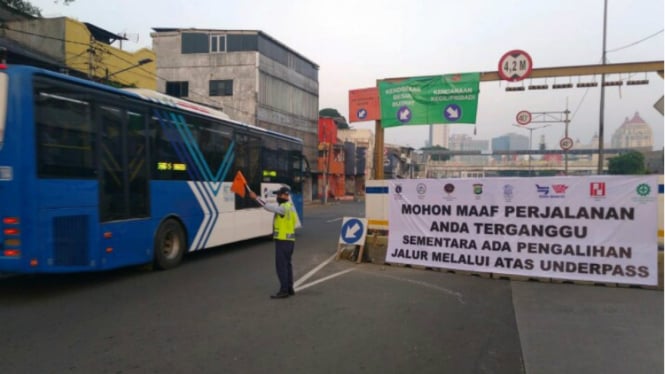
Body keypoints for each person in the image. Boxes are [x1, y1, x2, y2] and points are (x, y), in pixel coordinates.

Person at [248, 185, 297, 299]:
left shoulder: (283, 208)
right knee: (288, 265)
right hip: (290, 241)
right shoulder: (291, 206)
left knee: (281, 266)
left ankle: (284, 290)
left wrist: (256, 198)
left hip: (283, 241)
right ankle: (290, 288)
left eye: (279, 195)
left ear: (283, 195)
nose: (277, 197)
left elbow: (268, 207)